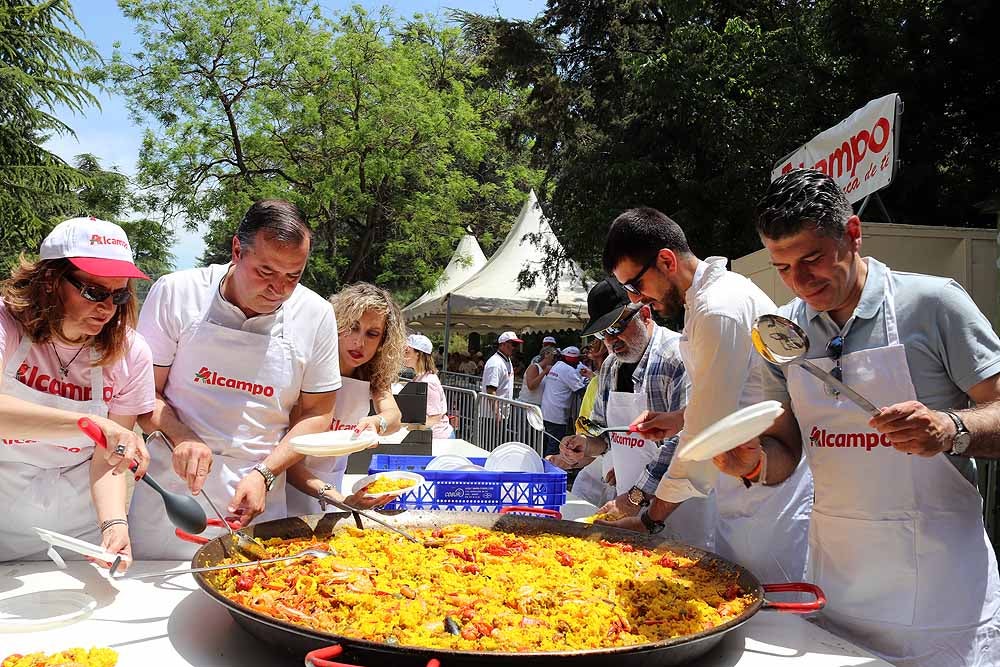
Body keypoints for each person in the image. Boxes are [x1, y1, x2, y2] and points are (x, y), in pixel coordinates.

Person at [713, 169, 1000, 667]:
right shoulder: (785, 333)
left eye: (812, 259)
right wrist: (753, 464)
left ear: (852, 233)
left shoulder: (933, 304)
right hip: (839, 581)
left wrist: (950, 429)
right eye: (783, 267)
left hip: (940, 589)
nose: (800, 282)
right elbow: (785, 449)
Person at [599, 207, 813, 584]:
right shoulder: (706, 301)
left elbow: (701, 439)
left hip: (770, 496)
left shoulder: (718, 308)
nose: (637, 299)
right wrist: (679, 417)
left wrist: (649, 518)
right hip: (741, 487)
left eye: (635, 285)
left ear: (666, 260)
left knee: (767, 615)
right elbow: (738, 390)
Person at [133, 200, 341, 558]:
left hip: (257, 494)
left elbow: (317, 413)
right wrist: (183, 436)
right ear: (236, 250)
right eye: (266, 272)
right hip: (172, 494)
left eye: (293, 276)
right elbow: (143, 393)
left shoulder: (316, 314)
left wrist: (266, 474)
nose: (279, 289)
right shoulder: (177, 293)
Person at [0, 217, 154, 569]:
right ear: (51, 281)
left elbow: (107, 458)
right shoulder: (5, 323)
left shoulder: (132, 353)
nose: (107, 308)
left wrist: (114, 523)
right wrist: (89, 424)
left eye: (118, 295)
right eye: (95, 292)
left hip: (76, 533)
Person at [559, 282, 715, 546]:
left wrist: (635, 497)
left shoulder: (676, 357)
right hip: (628, 507)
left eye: (617, 328)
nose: (611, 341)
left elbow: (683, 443)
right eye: (602, 334)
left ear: (644, 315)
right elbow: (602, 432)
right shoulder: (610, 366)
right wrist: (585, 445)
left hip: (681, 510)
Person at [286, 283, 406, 513]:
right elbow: (289, 459)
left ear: (383, 342)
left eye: (372, 334)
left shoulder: (371, 374)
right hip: (290, 491)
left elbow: (394, 417)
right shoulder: (309, 370)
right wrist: (337, 498)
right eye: (353, 327)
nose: (359, 343)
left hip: (335, 489)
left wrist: (376, 423)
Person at [403, 332, 454, 439]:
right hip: (431, 436)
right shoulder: (420, 377)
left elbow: (434, 417)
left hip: (438, 438)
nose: (403, 355)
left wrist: (407, 427)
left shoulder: (428, 382)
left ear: (418, 354)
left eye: (407, 351)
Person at [540, 346, 586, 452]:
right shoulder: (569, 371)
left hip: (546, 411)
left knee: (546, 443)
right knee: (554, 446)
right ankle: (550, 467)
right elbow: (581, 391)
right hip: (557, 414)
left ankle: (542, 465)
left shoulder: (557, 365)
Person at [481, 331, 521, 400]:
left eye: (516, 345)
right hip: (492, 410)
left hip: (504, 407)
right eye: (513, 344)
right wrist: (496, 411)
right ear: (502, 344)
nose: (515, 348)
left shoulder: (507, 359)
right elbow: (491, 391)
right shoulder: (495, 363)